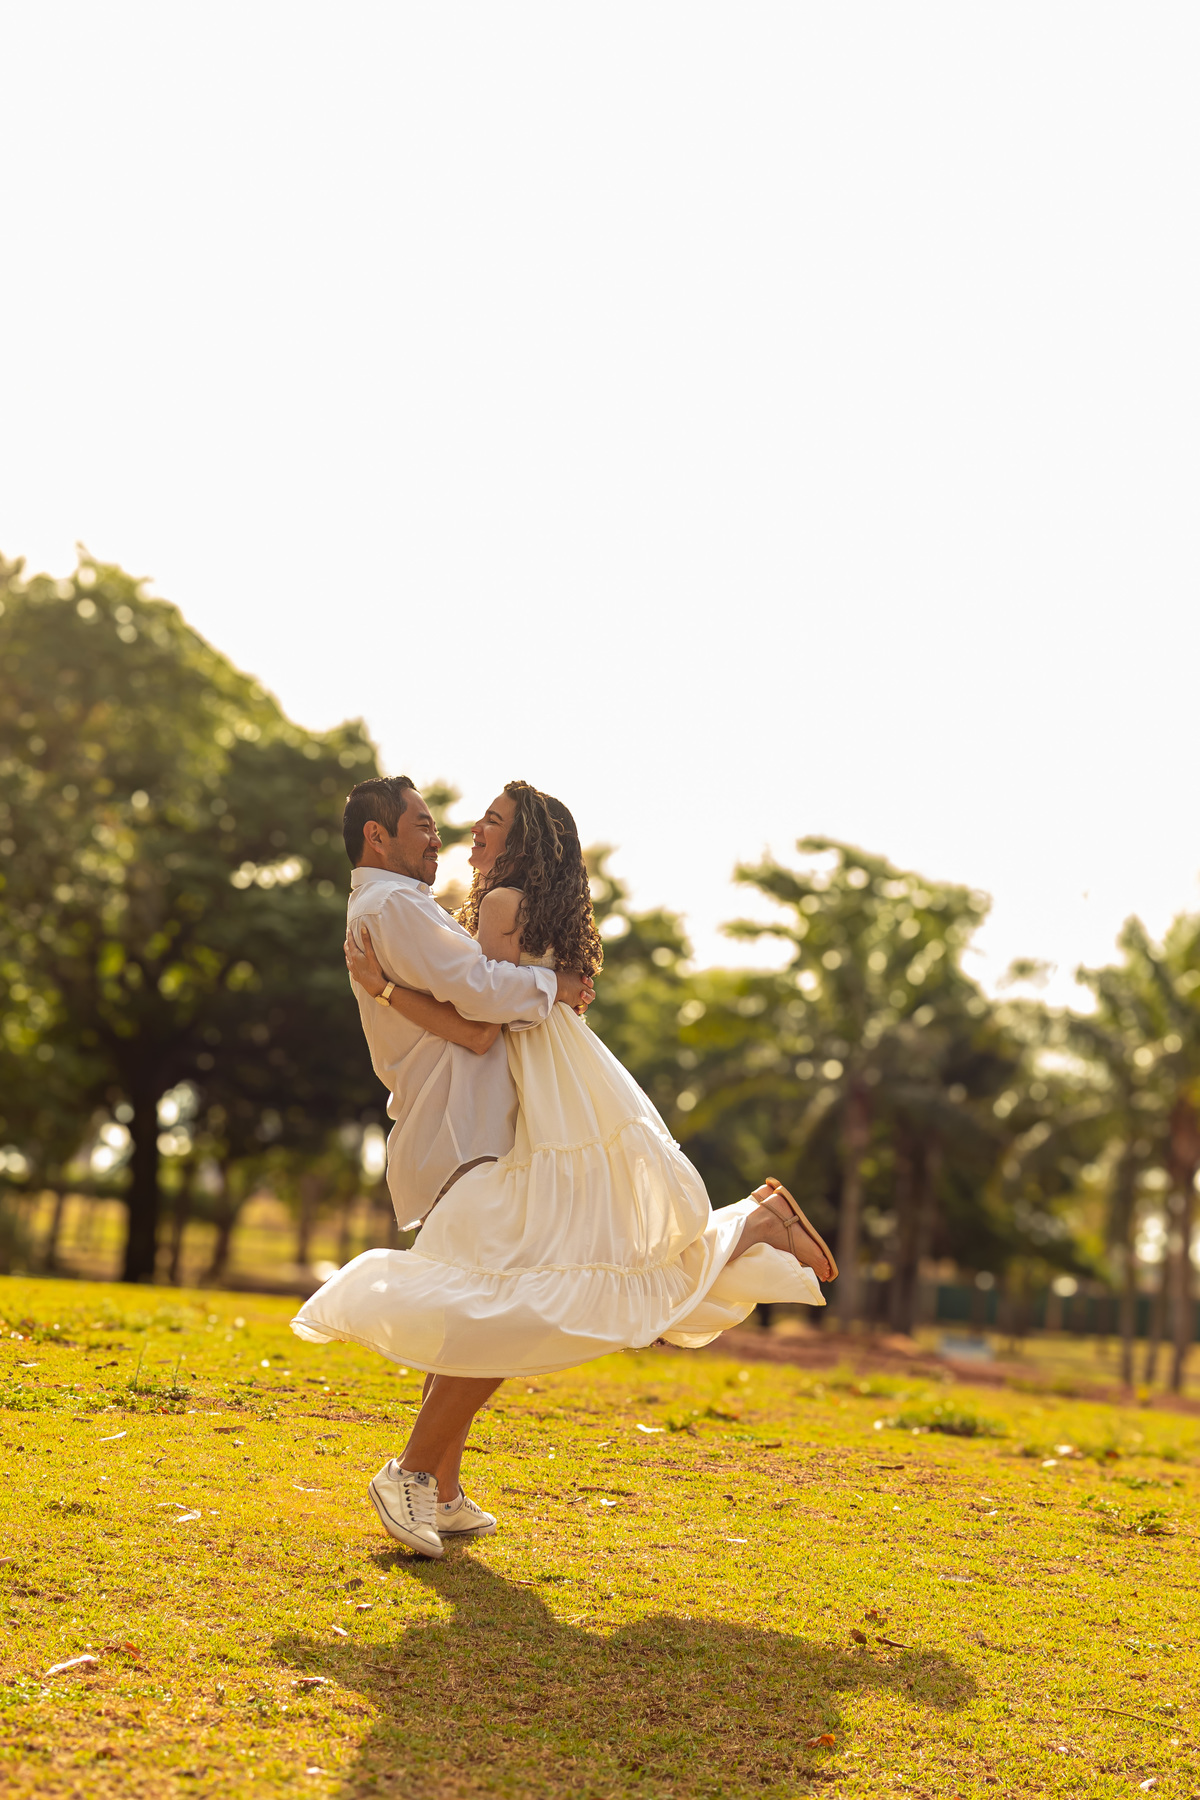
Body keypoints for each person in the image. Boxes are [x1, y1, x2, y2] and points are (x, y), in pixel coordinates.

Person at [292, 778, 836, 1559]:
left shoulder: (447, 906)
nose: (452, 835)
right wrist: (511, 986)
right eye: (427, 824)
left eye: (485, 822)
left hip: (493, 1120)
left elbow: (480, 1013)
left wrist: (387, 989)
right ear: (378, 836)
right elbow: (483, 1003)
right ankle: (426, 1477)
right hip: (484, 1118)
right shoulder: (408, 908)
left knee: (503, 1298)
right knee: (510, 1298)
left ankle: (427, 1478)